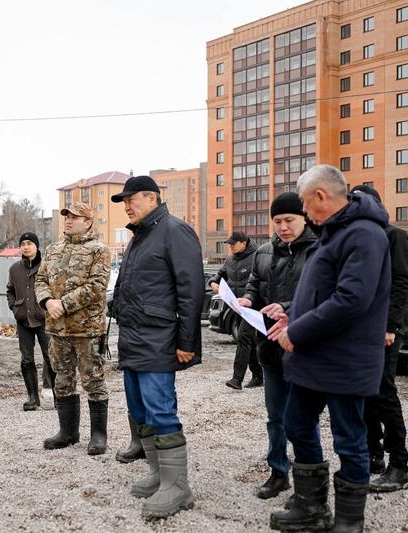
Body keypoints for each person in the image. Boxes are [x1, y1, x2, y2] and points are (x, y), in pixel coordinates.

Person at [267, 165, 391, 533]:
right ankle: (312, 508)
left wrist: (298, 331)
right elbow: (319, 291)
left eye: (305, 204)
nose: (305, 213)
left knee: (349, 438)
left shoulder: (365, 234)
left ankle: (350, 521)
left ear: (321, 196)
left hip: (345, 360)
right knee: (297, 424)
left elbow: (351, 300)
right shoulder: (333, 233)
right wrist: (292, 316)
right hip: (314, 358)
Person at [109, 175, 204, 518]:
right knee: (140, 410)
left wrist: (187, 342)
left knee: (161, 410)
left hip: (159, 339)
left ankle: (178, 487)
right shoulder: (138, 238)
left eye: (131, 200)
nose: (127, 206)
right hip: (133, 339)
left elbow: (192, 291)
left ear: (151, 198)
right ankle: (160, 474)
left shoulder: (175, 231)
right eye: (124, 202)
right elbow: (126, 283)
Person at [238, 191, 316, 500]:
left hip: (303, 345)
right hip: (269, 344)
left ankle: (309, 478)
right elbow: (254, 285)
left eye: (289, 220)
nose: (283, 227)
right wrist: (246, 299)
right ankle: (278, 471)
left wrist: (286, 306)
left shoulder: (319, 249)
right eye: (277, 221)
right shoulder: (265, 251)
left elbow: (320, 295)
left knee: (303, 417)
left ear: (304, 218)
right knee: (275, 415)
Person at [351, 184, 408, 493]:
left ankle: (399, 465)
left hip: (384, 330)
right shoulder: (360, 239)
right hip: (359, 330)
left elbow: (402, 283)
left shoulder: (394, 236)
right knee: (364, 393)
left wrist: (391, 326)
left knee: (384, 393)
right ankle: (372, 454)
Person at [35, 202, 111, 455]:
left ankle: (98, 435)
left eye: (75, 217)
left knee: (94, 381)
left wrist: (63, 304)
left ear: (88, 221)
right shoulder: (53, 249)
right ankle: (68, 432)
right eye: (66, 216)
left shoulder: (98, 250)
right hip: (58, 330)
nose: (68, 220)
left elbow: (97, 286)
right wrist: (47, 301)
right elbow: (41, 279)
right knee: (62, 380)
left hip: (87, 330)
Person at [7, 231, 56, 411]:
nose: (25, 246)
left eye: (29, 243)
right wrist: (14, 307)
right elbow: (10, 290)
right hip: (23, 321)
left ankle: (58, 397)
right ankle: (32, 398)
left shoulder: (47, 266)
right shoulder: (14, 269)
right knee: (26, 359)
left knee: (50, 357)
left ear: (36, 246)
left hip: (44, 319)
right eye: (23, 243)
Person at [209, 231, 262, 390]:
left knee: (243, 338)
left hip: (253, 306)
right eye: (229, 243)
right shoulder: (230, 260)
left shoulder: (256, 257)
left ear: (244, 243)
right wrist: (213, 283)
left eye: (233, 243)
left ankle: (236, 379)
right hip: (235, 307)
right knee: (250, 340)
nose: (230, 246)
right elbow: (218, 275)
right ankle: (259, 375)